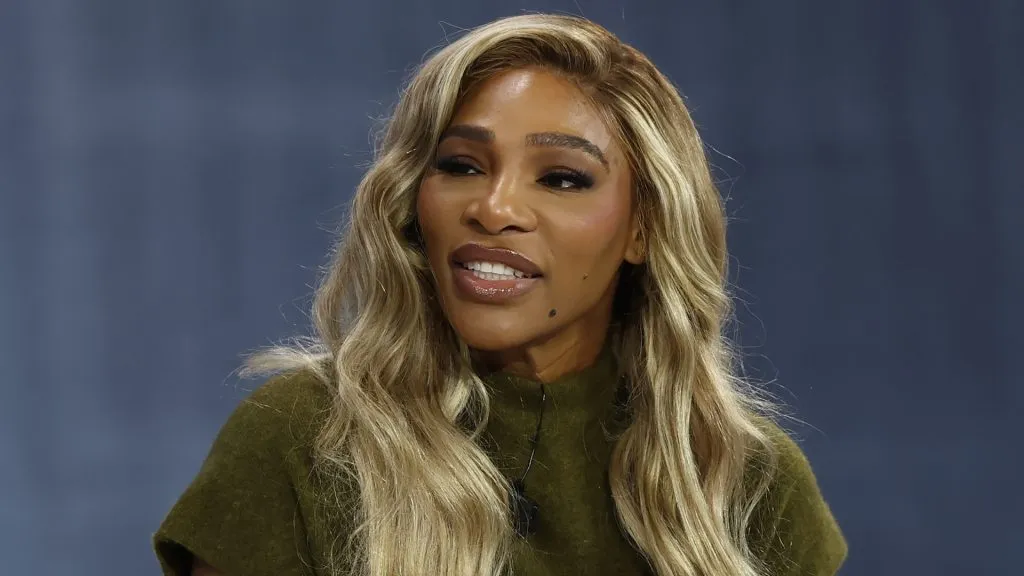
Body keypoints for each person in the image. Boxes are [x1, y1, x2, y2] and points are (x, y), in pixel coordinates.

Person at [154, 13, 846, 576]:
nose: (493, 208)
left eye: (562, 178)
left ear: (642, 227)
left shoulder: (745, 478)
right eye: (461, 166)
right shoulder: (302, 439)